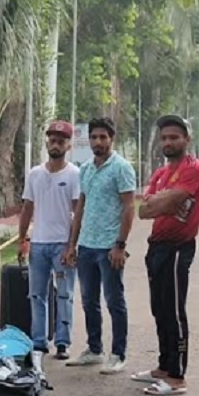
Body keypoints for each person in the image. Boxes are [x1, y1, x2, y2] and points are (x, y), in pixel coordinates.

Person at [132, 115, 199, 396]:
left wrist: (161, 201)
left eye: (174, 137)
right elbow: (144, 210)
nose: (168, 142)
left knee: (174, 312)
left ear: (187, 139)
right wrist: (163, 202)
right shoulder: (160, 174)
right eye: (164, 138)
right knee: (159, 308)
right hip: (157, 247)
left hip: (178, 247)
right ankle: (164, 367)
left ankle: (177, 377)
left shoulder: (194, 169)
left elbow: (158, 203)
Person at [63, 117, 135, 375]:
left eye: (103, 137)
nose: (97, 142)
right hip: (87, 247)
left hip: (109, 247)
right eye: (93, 137)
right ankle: (94, 350)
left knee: (114, 300)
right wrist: (72, 244)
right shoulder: (86, 169)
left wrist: (120, 244)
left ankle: (118, 354)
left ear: (111, 139)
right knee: (88, 300)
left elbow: (129, 207)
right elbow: (81, 207)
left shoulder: (121, 168)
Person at [17, 120, 80, 361]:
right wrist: (22, 239)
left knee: (64, 294)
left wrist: (72, 245)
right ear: (47, 143)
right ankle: (39, 342)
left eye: (61, 141)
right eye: (52, 140)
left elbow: (78, 212)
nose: (56, 145)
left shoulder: (74, 174)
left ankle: (63, 342)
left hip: (62, 245)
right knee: (37, 295)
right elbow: (27, 208)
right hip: (39, 245)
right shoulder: (35, 174)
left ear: (68, 145)